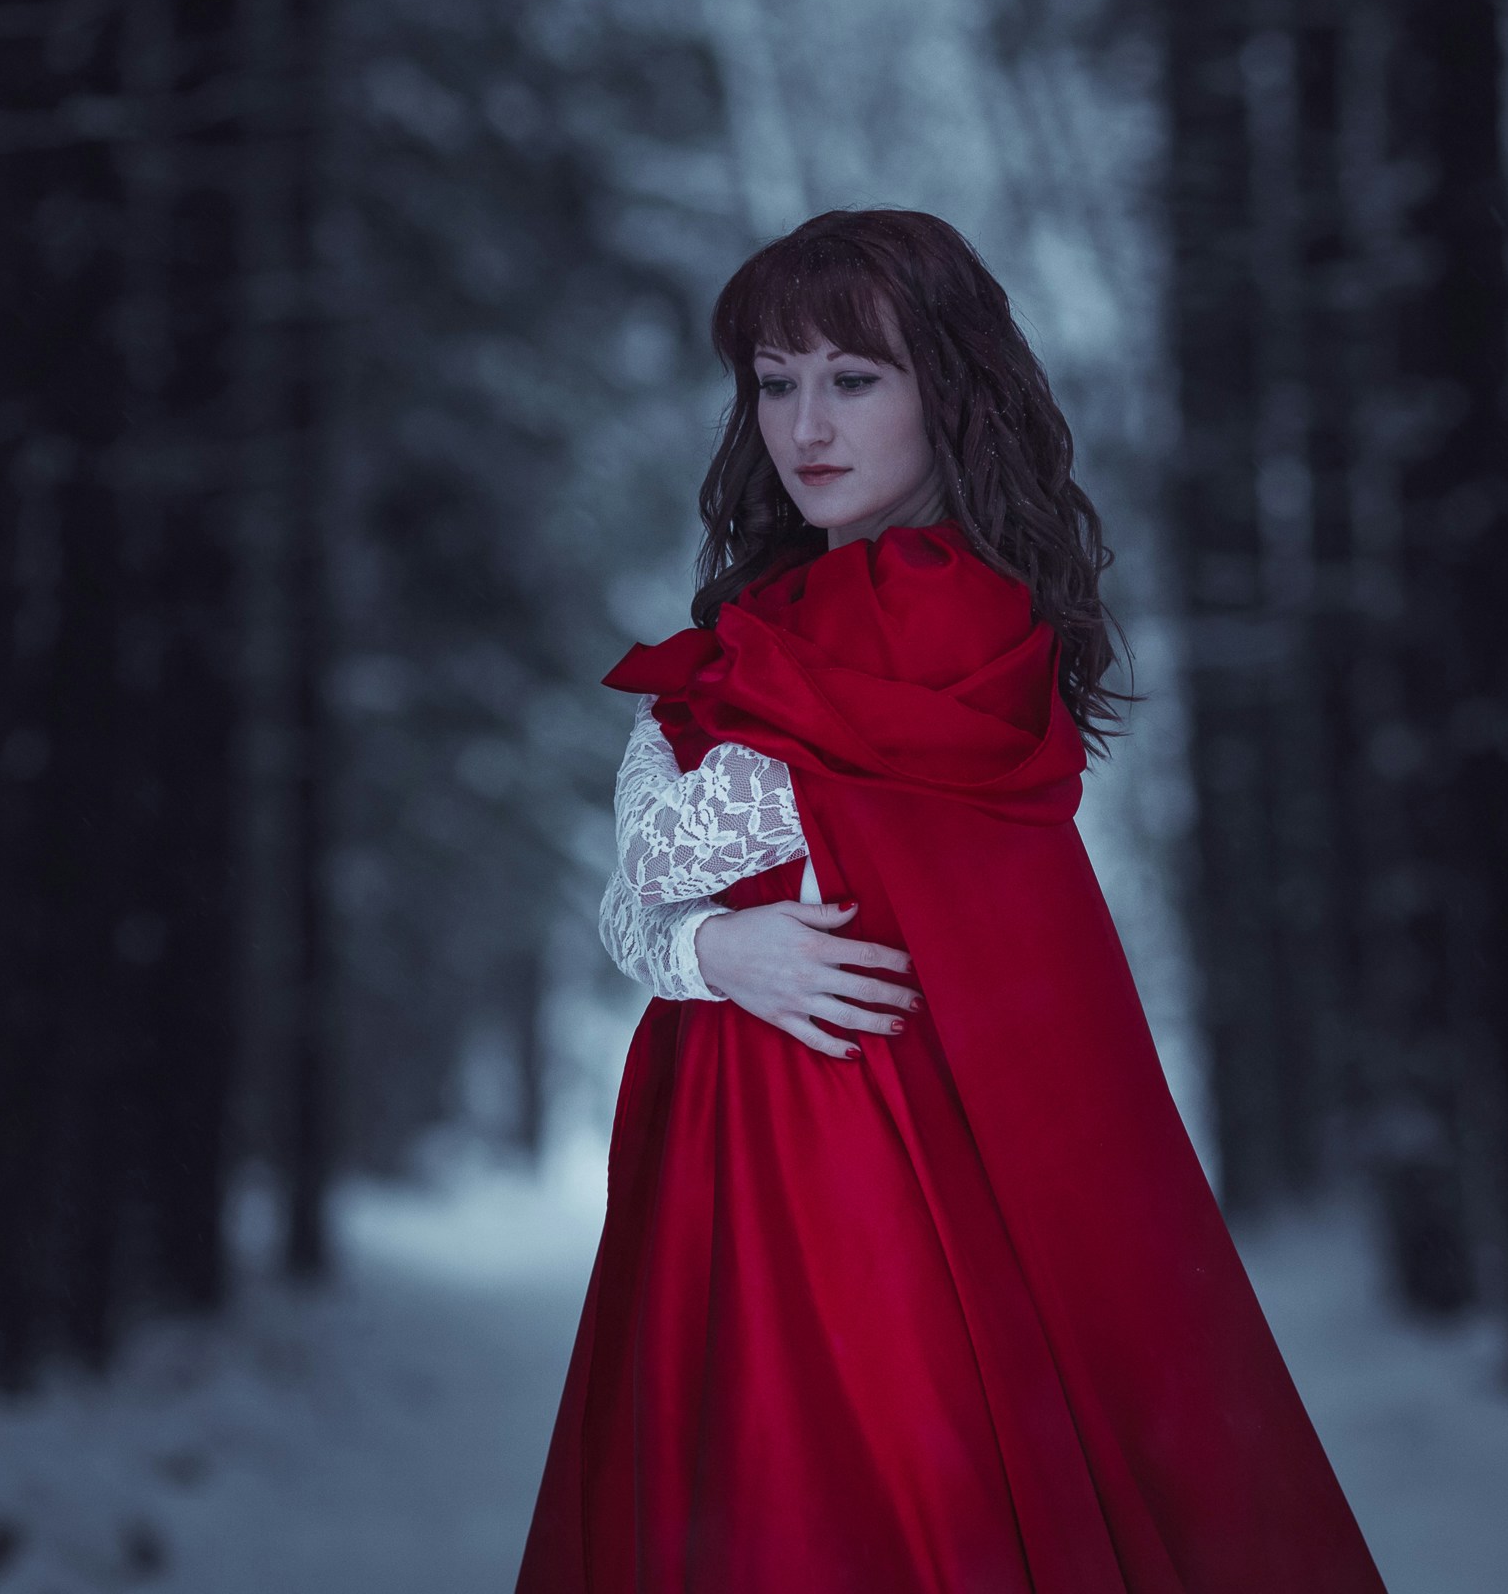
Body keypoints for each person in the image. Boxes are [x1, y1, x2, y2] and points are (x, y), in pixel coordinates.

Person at [518, 209, 1386, 1593]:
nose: (807, 425)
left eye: (854, 378)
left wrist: (686, 917)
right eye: (776, 381)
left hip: (871, 1156)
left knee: (868, 1520)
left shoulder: (945, 627)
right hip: (737, 1136)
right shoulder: (773, 623)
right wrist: (711, 951)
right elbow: (638, 903)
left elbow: (660, 853)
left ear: (949, 389)